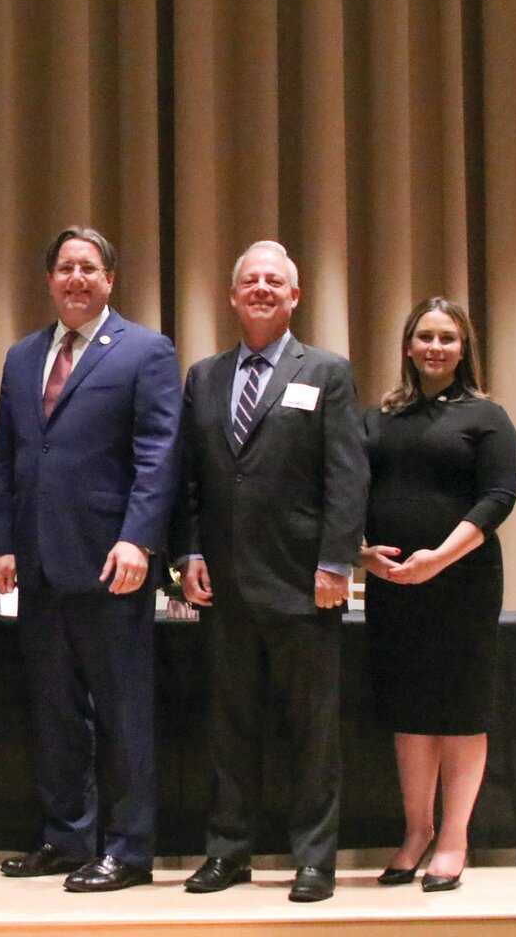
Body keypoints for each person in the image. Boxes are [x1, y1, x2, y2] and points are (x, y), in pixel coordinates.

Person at [0, 226, 181, 893]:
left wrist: (140, 539)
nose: (76, 279)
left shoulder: (146, 351)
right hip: (39, 564)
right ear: (49, 280)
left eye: (88, 268)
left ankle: (129, 849)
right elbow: (9, 456)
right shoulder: (21, 356)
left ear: (109, 279)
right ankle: (67, 836)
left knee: (124, 710)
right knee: (55, 708)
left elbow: (160, 454)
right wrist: (1, 542)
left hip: (111, 562)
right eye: (65, 267)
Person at [172, 240, 368, 903]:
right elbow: (190, 481)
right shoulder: (203, 376)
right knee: (230, 731)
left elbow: (348, 475)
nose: (261, 288)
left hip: (303, 585)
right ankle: (228, 854)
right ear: (232, 296)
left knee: (312, 735)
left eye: (273, 281)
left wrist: (337, 560)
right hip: (224, 586)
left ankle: (315, 860)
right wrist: (188, 553)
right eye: (250, 279)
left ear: (295, 295)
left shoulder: (328, 372)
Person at [360, 296, 516, 893]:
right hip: (393, 583)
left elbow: (498, 497)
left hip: (462, 583)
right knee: (409, 711)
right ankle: (416, 831)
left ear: (463, 349)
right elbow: (347, 490)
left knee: (457, 709)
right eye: (424, 336)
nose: (434, 347)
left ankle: (454, 837)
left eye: (447, 338)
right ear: (407, 346)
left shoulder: (488, 416)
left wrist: (440, 559)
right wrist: (361, 553)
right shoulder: (377, 417)